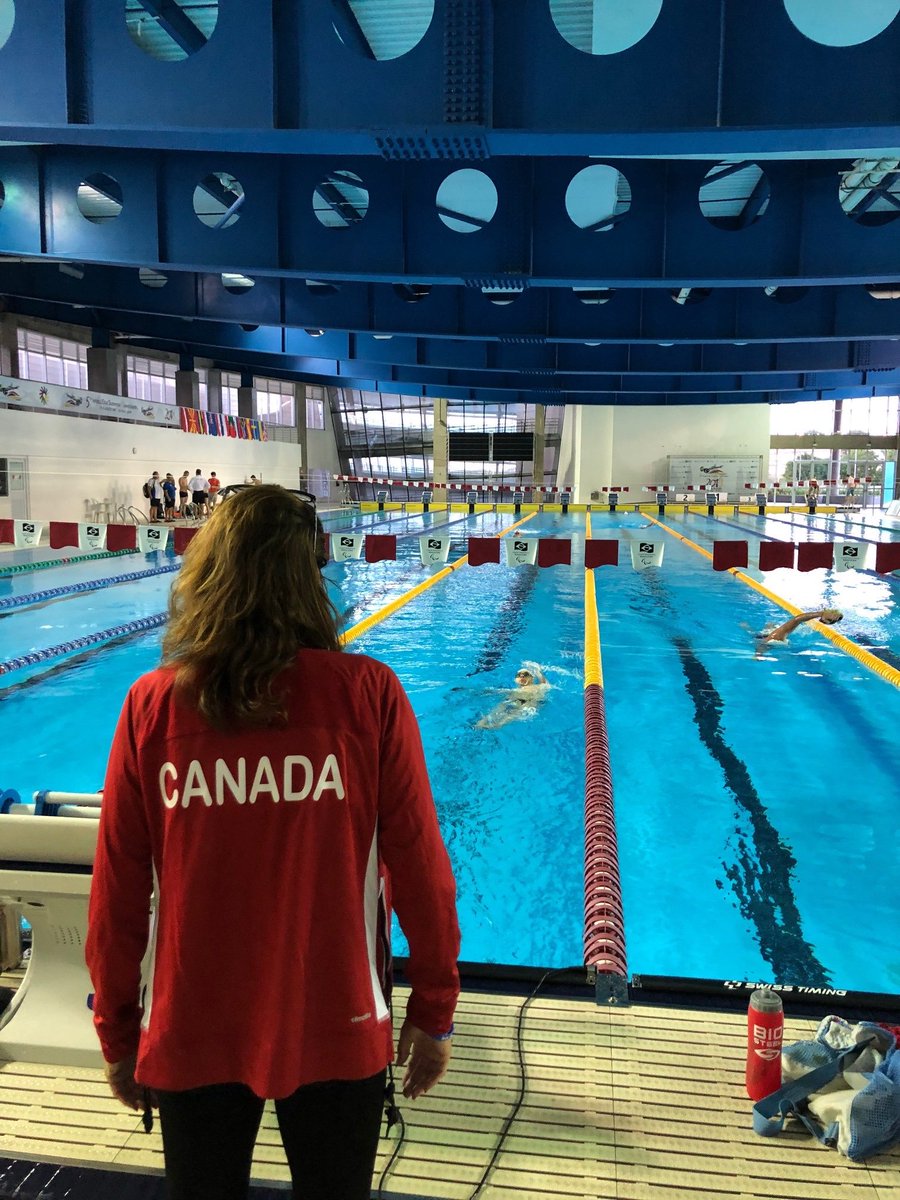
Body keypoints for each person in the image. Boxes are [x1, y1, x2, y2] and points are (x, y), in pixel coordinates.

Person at [85, 485, 460, 1200]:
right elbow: (423, 871)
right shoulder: (368, 694)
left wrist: (117, 1030)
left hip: (191, 1024)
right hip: (338, 1019)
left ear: (207, 571)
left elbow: (118, 893)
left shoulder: (153, 705)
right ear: (313, 574)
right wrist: (433, 1010)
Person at [476, 661, 550, 730]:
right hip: (524, 702)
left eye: (524, 675)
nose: (522, 677)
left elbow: (500, 691)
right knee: (506, 715)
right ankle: (492, 724)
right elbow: (543, 681)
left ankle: (483, 724)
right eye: (520, 676)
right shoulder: (537, 687)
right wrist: (537, 671)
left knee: (500, 710)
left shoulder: (521, 689)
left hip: (520, 699)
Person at [757, 608, 843, 653]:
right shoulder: (774, 639)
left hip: (766, 641)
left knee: (770, 626)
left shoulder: (775, 638)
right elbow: (797, 620)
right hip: (767, 641)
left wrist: (820, 614)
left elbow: (797, 620)